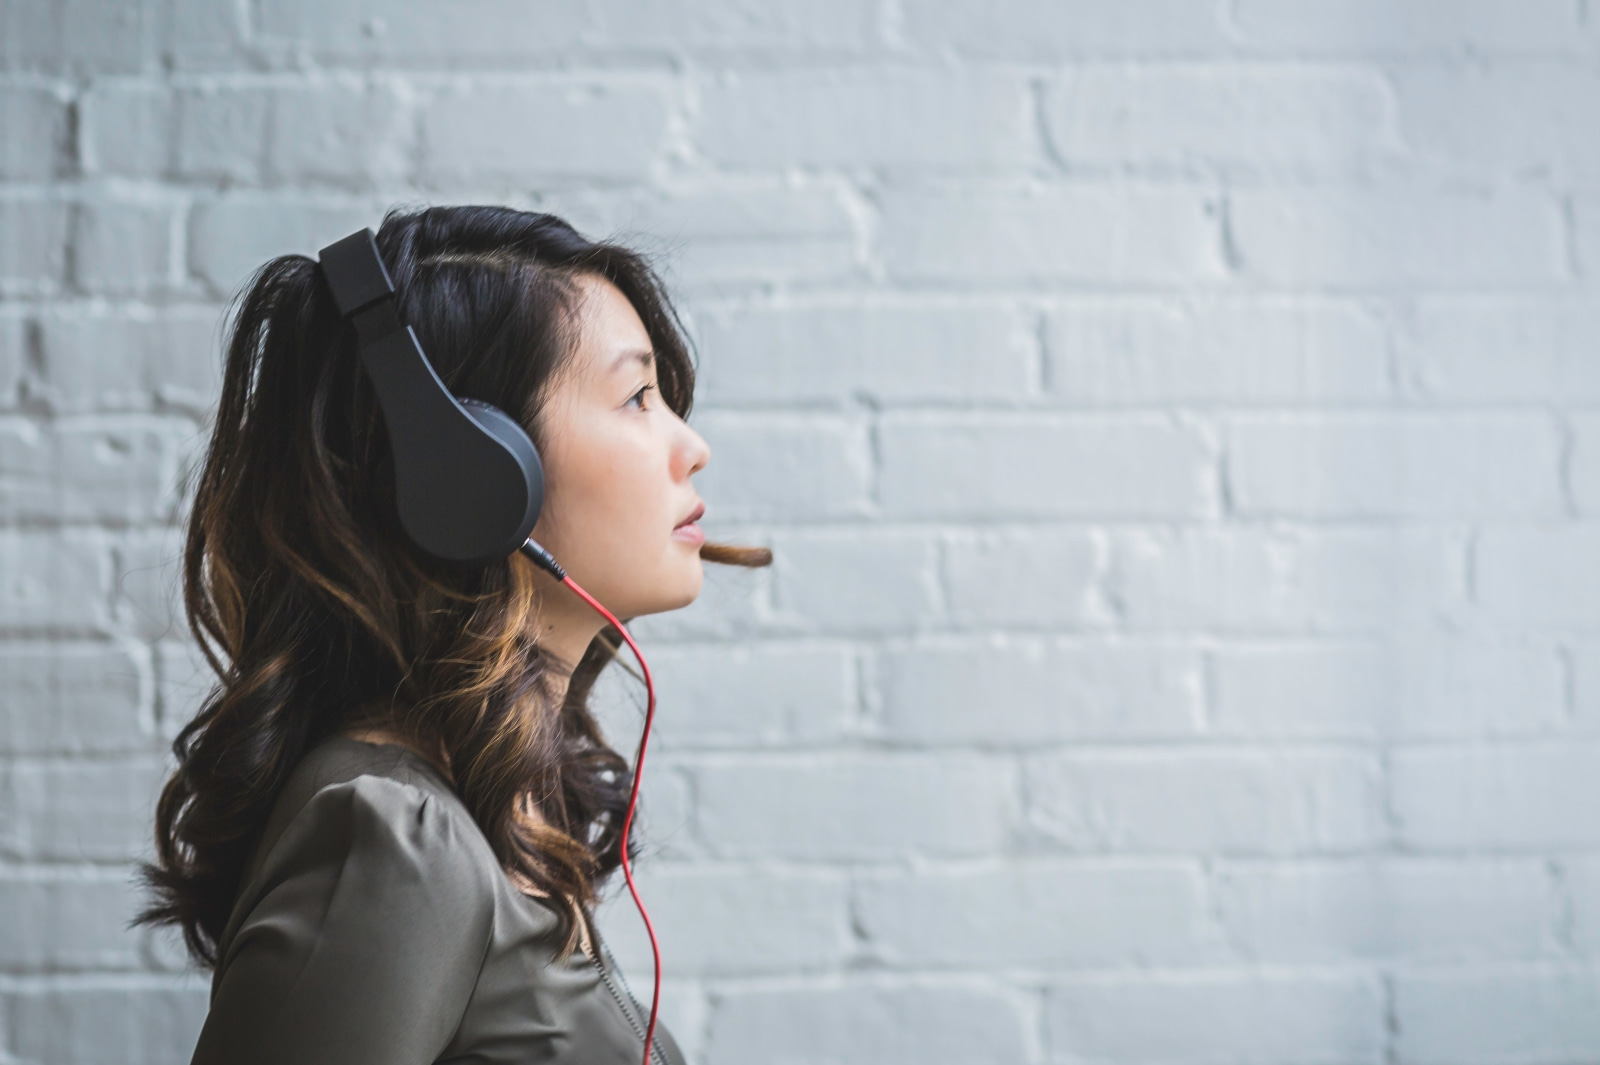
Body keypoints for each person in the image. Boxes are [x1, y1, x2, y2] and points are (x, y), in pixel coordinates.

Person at [134, 205, 770, 1064]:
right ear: (467, 476)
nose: (689, 446)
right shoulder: (391, 835)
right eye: (636, 397)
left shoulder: (469, 809)